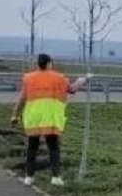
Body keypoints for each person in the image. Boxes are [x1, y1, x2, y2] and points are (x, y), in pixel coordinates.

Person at [10, 54, 87, 187]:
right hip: (51, 118)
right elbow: (72, 89)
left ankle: (29, 177)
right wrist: (82, 80)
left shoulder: (29, 78)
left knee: (32, 147)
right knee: (53, 147)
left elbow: (22, 98)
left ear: (38, 64)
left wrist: (15, 115)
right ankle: (56, 177)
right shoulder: (59, 78)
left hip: (34, 118)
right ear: (50, 63)